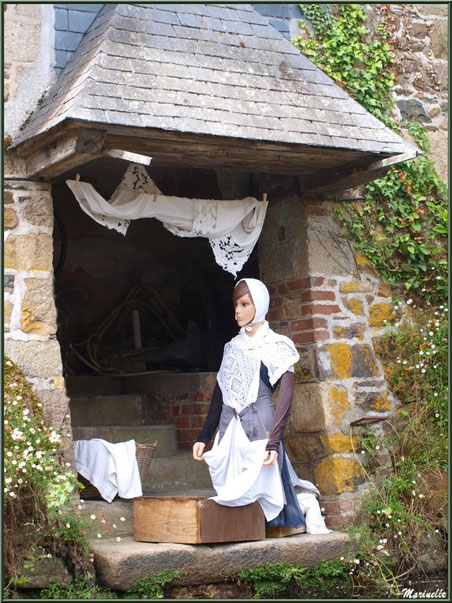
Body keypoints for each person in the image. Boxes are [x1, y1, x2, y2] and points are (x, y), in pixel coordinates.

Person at [193, 278, 331, 534]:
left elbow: (286, 398)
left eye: (245, 304)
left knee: (265, 485)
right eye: (236, 304)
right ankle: (243, 527)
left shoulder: (277, 345)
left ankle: (293, 514)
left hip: (261, 426)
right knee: (234, 488)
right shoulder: (232, 347)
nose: (238, 310)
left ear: (260, 304)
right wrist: (204, 435)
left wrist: (273, 441)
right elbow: (219, 394)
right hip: (229, 427)